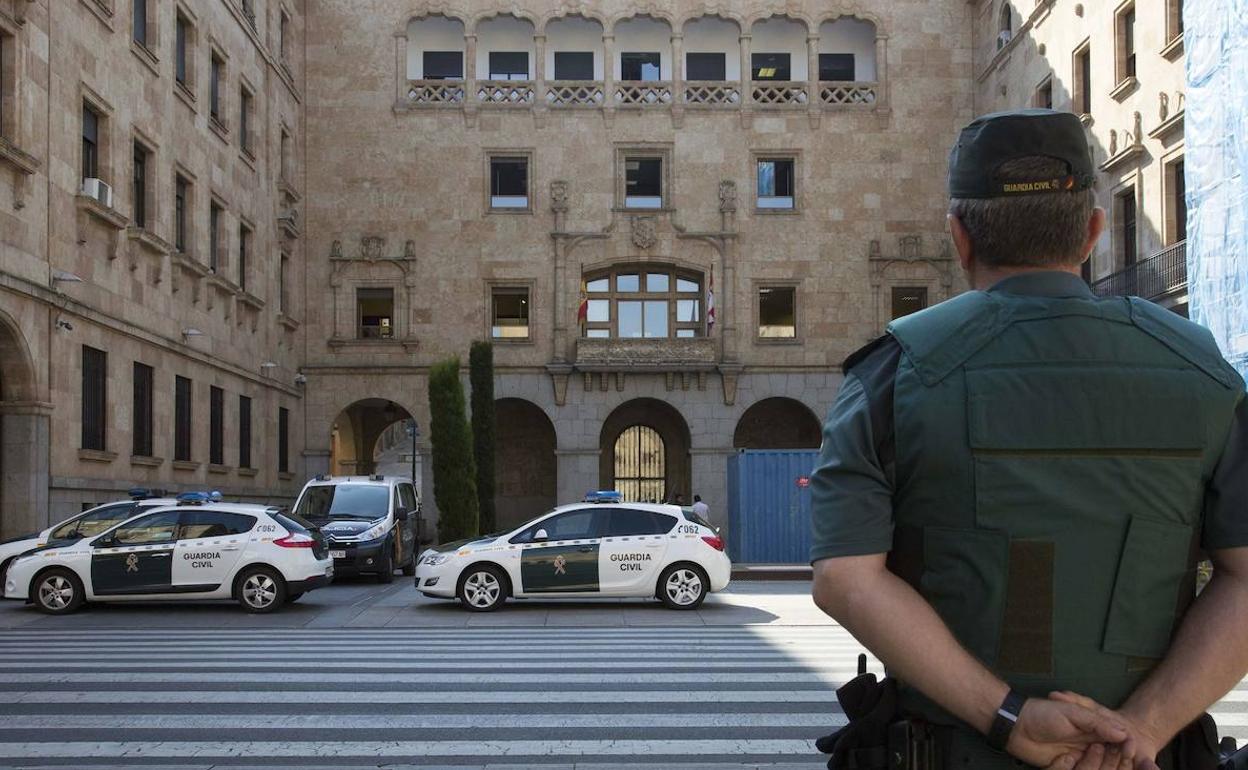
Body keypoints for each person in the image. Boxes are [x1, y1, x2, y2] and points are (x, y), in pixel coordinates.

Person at [809, 109, 1248, 770]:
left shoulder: (892, 374)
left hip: (946, 752)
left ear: (959, 237)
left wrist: (1009, 716)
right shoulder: (1205, 372)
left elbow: (846, 579)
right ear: (1094, 231)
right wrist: (1143, 729)